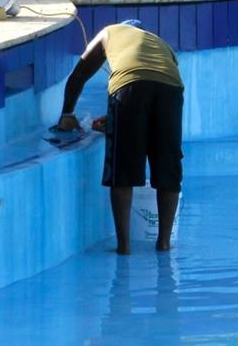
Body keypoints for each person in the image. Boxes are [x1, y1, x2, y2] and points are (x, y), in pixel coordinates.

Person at [53, 19, 184, 254]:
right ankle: (163, 243)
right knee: (168, 165)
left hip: (128, 86)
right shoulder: (161, 44)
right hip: (170, 89)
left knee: (123, 168)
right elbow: (153, 88)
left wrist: (67, 113)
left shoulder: (108, 32)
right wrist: (116, 120)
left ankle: (124, 246)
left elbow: (78, 75)